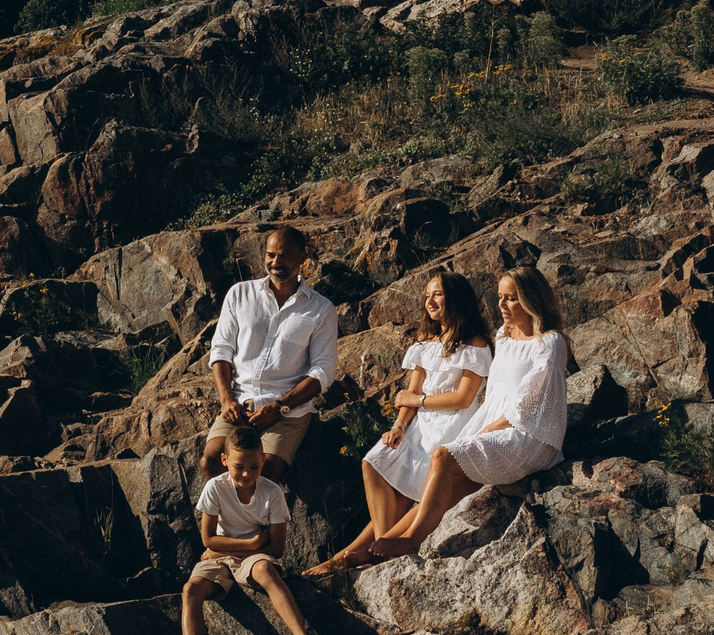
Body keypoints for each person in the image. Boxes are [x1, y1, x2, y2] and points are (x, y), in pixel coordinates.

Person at [367, 266, 570, 557]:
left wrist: (487, 430)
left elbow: (530, 404)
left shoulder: (550, 342)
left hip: (530, 436)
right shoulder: (504, 336)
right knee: (454, 483)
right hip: (497, 424)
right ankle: (382, 545)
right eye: (500, 297)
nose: (501, 305)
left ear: (531, 300)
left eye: (511, 298)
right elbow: (498, 393)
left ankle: (411, 540)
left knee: (443, 456)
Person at [308, 271, 492, 575]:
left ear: (456, 299)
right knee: (374, 462)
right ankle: (380, 547)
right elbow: (411, 391)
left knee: (409, 493)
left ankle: (353, 556)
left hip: (451, 427)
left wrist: (415, 402)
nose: (429, 301)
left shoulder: (475, 344)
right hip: (419, 424)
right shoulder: (426, 341)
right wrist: (399, 426)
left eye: (438, 294)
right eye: (427, 295)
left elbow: (462, 398)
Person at [169, 423, 333, 635]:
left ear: (262, 461)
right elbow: (208, 540)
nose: (247, 474)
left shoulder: (271, 493)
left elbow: (277, 548)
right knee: (191, 590)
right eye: (239, 467)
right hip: (226, 552)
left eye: (255, 467)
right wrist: (251, 543)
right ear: (224, 461)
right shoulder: (215, 488)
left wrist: (249, 549)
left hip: (254, 557)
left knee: (266, 570)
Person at [201, 225, 338, 489]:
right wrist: (226, 399)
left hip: (287, 414)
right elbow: (221, 350)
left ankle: (254, 529)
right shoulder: (239, 294)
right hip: (238, 406)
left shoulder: (321, 309)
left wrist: (280, 407)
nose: (275, 263)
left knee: (262, 477)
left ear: (302, 258)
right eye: (270, 255)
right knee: (211, 463)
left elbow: (323, 371)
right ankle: (227, 528)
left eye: (285, 256)